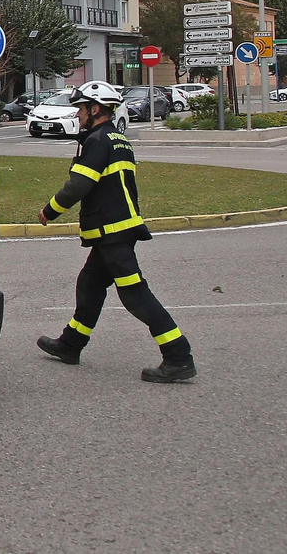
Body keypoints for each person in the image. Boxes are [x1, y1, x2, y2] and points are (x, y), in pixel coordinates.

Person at [35, 80, 196, 382]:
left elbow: (80, 185)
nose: (78, 114)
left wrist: (50, 210)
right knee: (90, 285)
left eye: (81, 108)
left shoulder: (97, 141)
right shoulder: (118, 139)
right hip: (115, 229)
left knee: (135, 294)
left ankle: (178, 355)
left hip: (113, 232)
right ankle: (71, 344)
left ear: (95, 109)